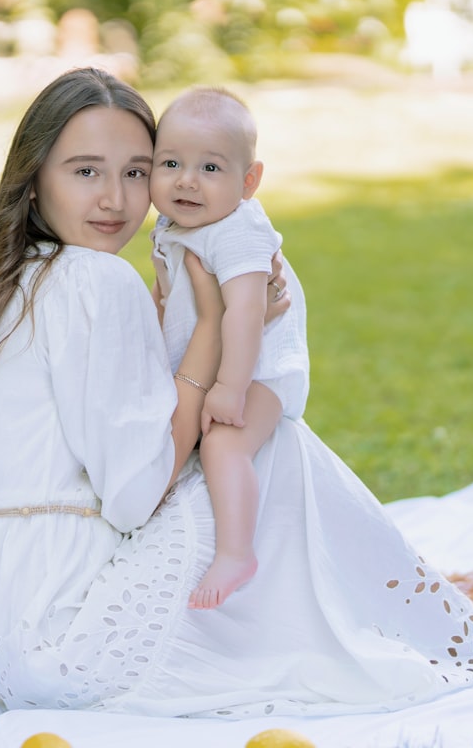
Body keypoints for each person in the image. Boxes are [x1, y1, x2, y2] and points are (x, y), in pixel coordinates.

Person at [0, 67, 473, 719]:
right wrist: (211, 334)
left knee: (241, 454)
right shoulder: (96, 281)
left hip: (11, 652)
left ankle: (441, 626)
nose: (114, 199)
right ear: (34, 180)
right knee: (268, 441)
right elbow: (136, 497)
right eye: (85, 171)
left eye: (137, 172)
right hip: (72, 650)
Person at [148, 86, 308, 610]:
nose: (186, 181)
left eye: (210, 168)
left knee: (223, 444)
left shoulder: (237, 232)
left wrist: (229, 387)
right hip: (217, 361)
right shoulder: (174, 225)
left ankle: (237, 553)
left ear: (249, 181)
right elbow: (169, 293)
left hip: (262, 371)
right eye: (170, 163)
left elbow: (247, 311)